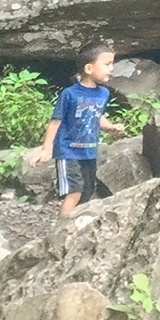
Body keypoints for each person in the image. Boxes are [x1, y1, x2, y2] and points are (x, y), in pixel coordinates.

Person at [28, 44, 116, 217]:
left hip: (89, 151)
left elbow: (97, 115)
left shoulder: (103, 93)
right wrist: (46, 149)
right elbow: (55, 122)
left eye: (112, 64)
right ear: (89, 68)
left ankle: (75, 228)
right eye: (107, 64)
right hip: (68, 151)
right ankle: (60, 231)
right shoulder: (69, 94)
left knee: (88, 191)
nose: (111, 69)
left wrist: (110, 126)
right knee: (74, 191)